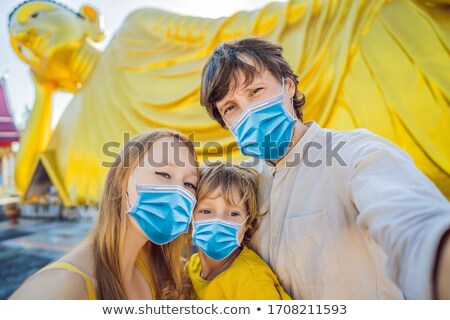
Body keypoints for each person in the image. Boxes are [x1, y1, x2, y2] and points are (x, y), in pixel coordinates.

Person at [199, 37, 450, 299]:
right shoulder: (244, 188)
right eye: (231, 107)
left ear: (288, 86)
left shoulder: (356, 153)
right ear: (226, 125)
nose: (248, 111)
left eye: (255, 91)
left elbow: (413, 224)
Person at [9, 129, 198, 299]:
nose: (178, 191)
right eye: (164, 174)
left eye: (190, 184)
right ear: (121, 180)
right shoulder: (60, 288)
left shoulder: (161, 269)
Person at [186, 161, 291, 299]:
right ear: (190, 216)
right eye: (206, 211)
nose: (219, 222)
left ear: (247, 222)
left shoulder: (253, 283)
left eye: (233, 214)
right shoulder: (192, 266)